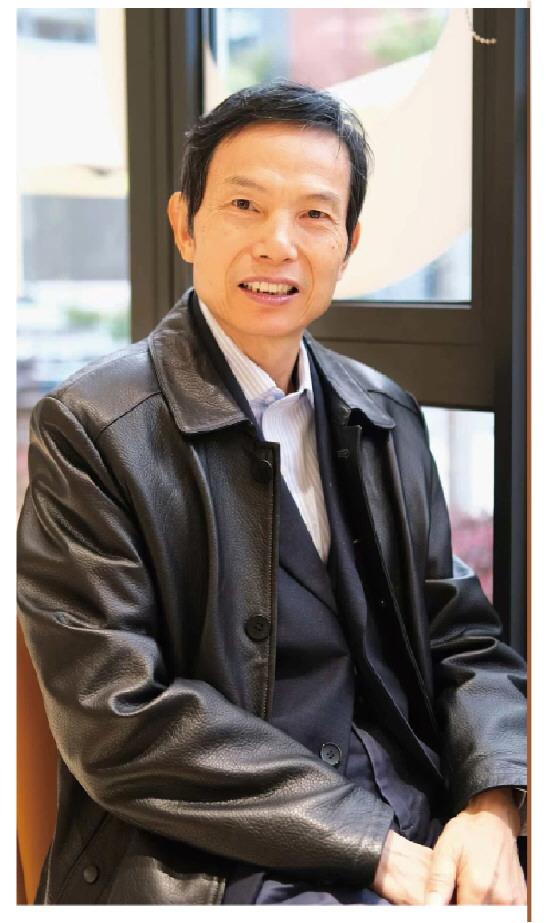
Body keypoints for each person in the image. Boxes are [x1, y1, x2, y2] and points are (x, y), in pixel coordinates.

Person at [17, 79, 527, 906]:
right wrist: (369, 844)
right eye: (245, 205)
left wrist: (493, 804)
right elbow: (117, 715)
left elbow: (460, 636)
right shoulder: (90, 429)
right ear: (185, 224)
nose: (277, 243)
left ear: (349, 242)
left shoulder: (385, 413)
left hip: (420, 821)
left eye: (314, 214)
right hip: (207, 862)